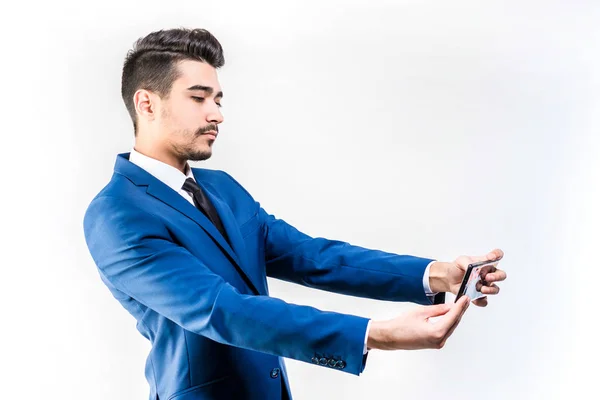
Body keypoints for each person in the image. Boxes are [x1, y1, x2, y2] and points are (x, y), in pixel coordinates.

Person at [82, 28, 507, 400]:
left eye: (217, 98)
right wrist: (374, 334)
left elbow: (309, 256)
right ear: (147, 103)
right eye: (198, 98)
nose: (217, 114)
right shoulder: (116, 214)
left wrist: (437, 274)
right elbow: (221, 310)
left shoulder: (222, 186)